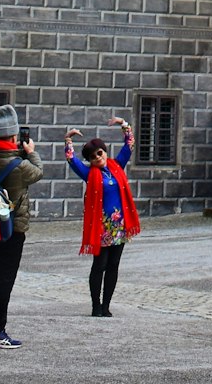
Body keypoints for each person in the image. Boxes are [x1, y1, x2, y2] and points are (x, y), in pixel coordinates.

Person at [0, 105, 44, 350]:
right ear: (14, 136)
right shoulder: (20, 166)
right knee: (4, 279)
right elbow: (38, 173)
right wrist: (31, 152)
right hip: (12, 228)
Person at [65, 117, 141, 317]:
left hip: (120, 225)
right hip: (101, 227)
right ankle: (95, 305)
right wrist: (68, 140)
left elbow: (129, 144)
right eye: (92, 156)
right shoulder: (89, 173)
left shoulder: (117, 166)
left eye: (99, 153)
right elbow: (71, 159)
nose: (97, 157)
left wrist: (123, 124)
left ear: (105, 152)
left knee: (114, 265)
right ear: (89, 160)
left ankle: (106, 305)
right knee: (100, 265)